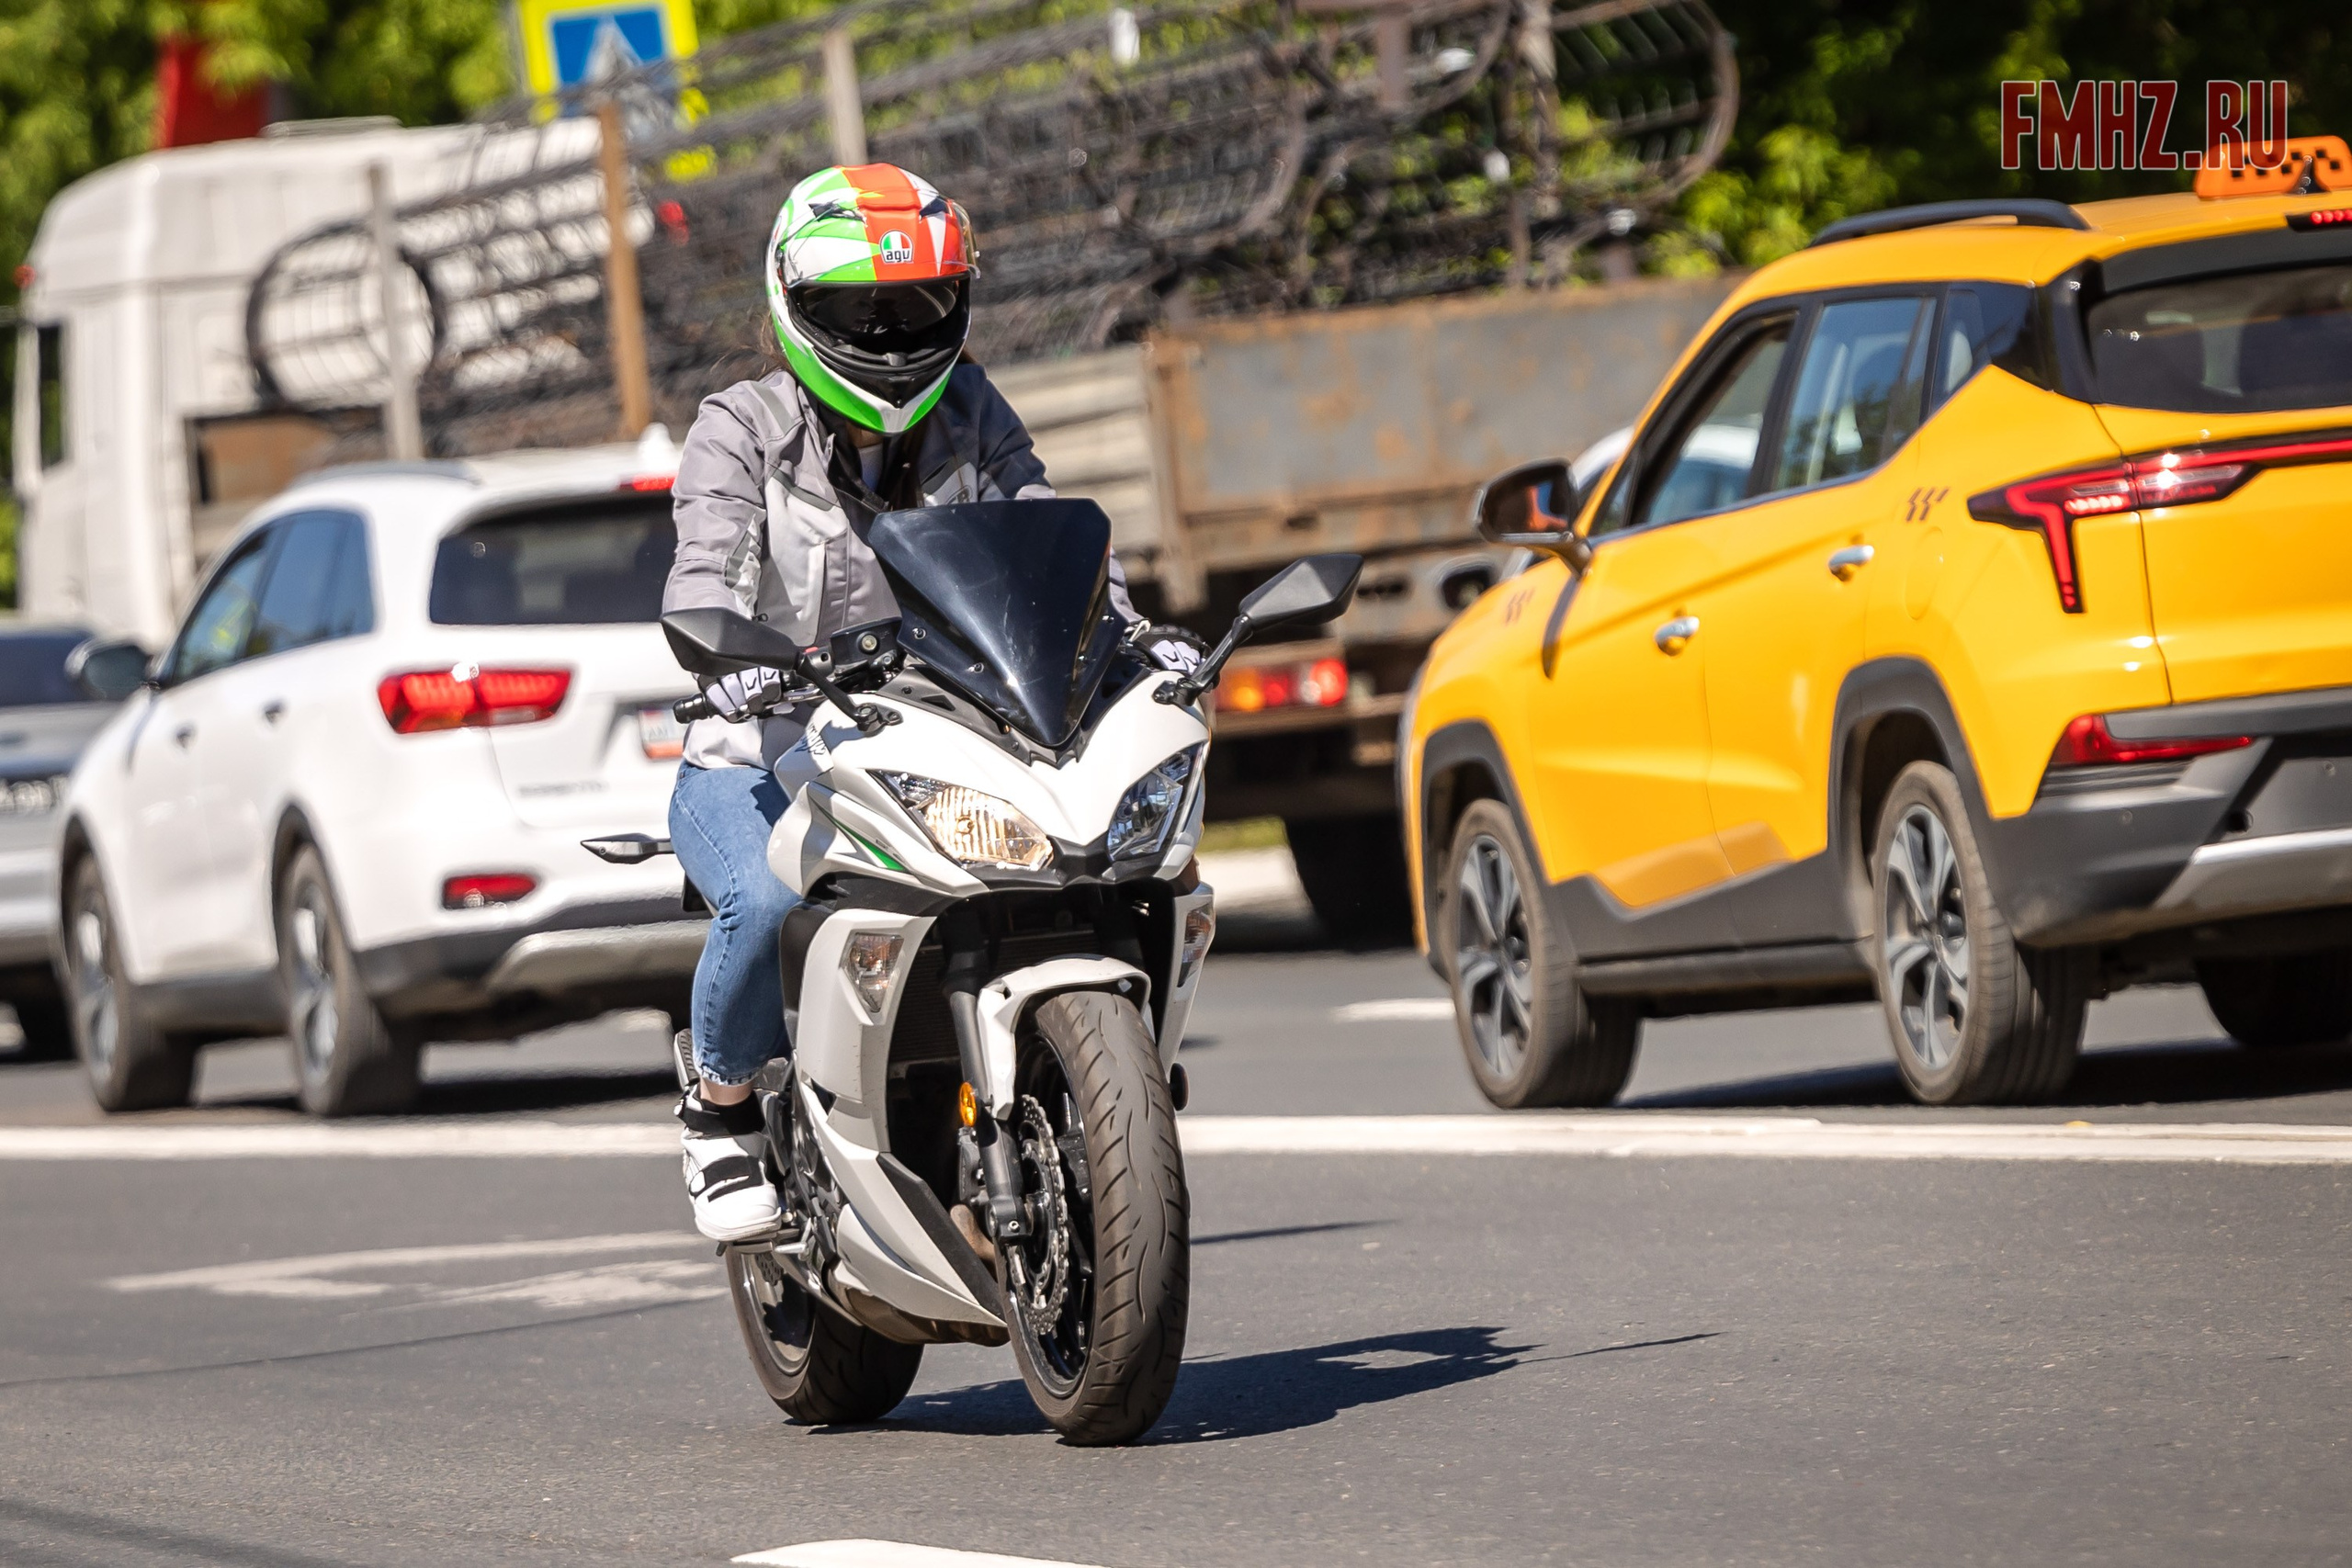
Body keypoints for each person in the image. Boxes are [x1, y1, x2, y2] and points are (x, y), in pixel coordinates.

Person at [662, 163, 1204, 1241]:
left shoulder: (968, 410)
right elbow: (704, 573)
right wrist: (731, 648)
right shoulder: (740, 428)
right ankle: (716, 1106)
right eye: (858, 310)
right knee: (764, 904)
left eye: (913, 305)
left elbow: (1048, 532)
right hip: (760, 749)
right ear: (792, 306)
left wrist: (1138, 639)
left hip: (931, 734)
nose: (888, 331)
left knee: (1109, 862)